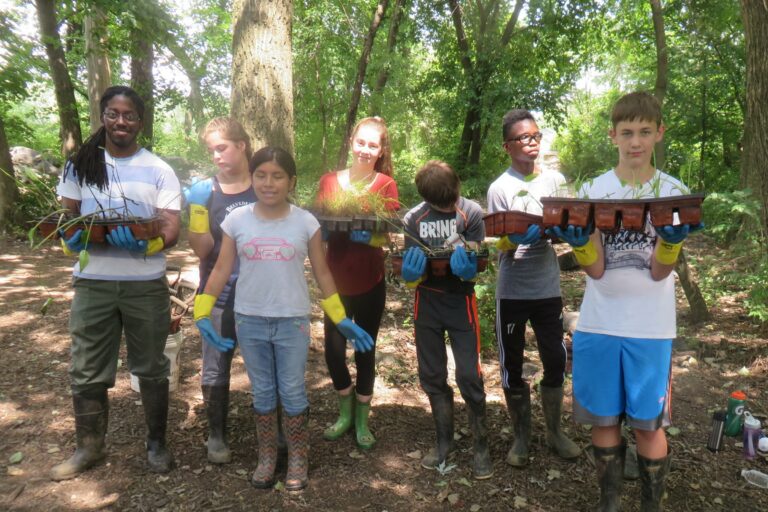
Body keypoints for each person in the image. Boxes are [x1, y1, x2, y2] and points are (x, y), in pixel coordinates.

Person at [549, 91, 702, 511]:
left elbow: (658, 272)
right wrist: (581, 246)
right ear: (612, 135)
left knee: (649, 426)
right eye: (627, 132)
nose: (636, 141)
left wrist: (670, 244)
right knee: (603, 420)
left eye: (645, 132)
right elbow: (596, 270)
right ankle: (610, 503)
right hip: (599, 324)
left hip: (651, 329)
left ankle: (651, 505)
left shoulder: (673, 192)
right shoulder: (595, 190)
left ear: (659, 134)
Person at [193, 147, 374, 491]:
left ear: (291, 181)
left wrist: (340, 316)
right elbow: (220, 269)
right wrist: (202, 311)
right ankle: (267, 458)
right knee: (262, 392)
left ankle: (298, 457)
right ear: (252, 177)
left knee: (291, 390)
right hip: (249, 319)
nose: (268, 182)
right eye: (261, 175)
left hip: (292, 321)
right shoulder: (236, 220)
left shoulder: (306, 222)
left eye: (277, 176)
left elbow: (322, 272)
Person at [51, 85, 181, 480]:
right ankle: (89, 446)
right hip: (93, 282)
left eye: (129, 115)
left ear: (140, 122)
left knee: (152, 366)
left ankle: (157, 443)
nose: (120, 121)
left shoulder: (158, 169)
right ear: (103, 116)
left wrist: (150, 242)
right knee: (87, 366)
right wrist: (69, 238)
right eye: (113, 113)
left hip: (145, 283)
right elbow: (66, 219)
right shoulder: (80, 165)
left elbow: (172, 227)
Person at [486, 109, 580, 468]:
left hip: (547, 287)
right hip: (511, 290)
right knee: (512, 364)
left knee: (555, 358)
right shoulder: (500, 187)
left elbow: (570, 225)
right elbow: (496, 240)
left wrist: (562, 234)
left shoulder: (555, 182)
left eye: (536, 136)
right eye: (524, 138)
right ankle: (521, 437)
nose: (532, 143)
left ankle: (555, 432)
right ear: (508, 146)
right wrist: (511, 240)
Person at [399, 160, 492, 480]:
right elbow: (408, 267)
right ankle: (444, 442)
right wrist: (409, 276)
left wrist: (471, 268)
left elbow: (482, 261)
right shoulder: (414, 218)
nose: (448, 206)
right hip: (427, 302)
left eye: (451, 200)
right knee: (432, 374)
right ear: (427, 198)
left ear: (458, 188)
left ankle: (481, 444)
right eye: (441, 204)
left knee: (468, 373)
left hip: (460, 301)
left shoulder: (472, 213)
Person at [314, 117, 399, 450]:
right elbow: (318, 231)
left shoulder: (385, 185)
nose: (365, 150)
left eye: (373, 145)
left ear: (380, 151)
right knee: (333, 353)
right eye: (361, 142)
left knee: (365, 349)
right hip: (335, 282)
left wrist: (371, 237)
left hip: (370, 281)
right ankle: (344, 411)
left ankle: (362, 420)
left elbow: (390, 233)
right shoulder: (329, 182)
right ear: (352, 142)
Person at [184, 117, 257, 463]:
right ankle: (216, 435)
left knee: (267, 366)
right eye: (212, 150)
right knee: (215, 365)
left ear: (241, 145)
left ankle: (273, 433)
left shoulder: (264, 184)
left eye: (222, 147)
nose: (216, 156)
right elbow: (202, 250)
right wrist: (198, 210)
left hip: (261, 294)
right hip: (218, 292)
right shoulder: (206, 191)